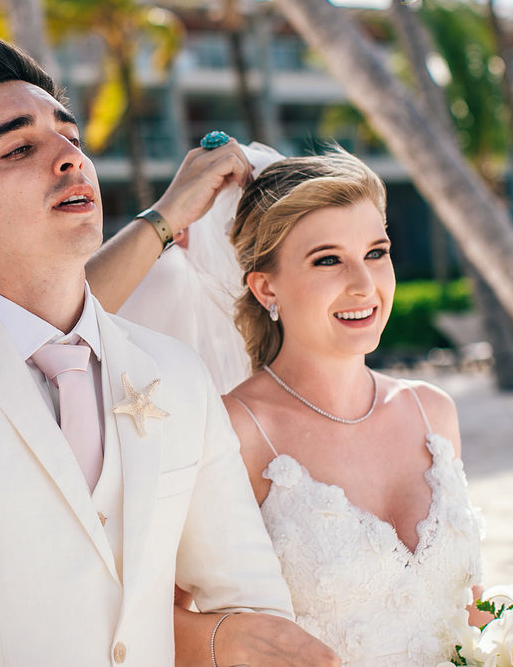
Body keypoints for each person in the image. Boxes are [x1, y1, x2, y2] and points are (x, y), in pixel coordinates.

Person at [0, 38, 338, 666]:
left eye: (71, 137)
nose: (69, 158)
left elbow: (253, 609)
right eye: (19, 148)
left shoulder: (178, 375)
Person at [182, 150, 483, 667]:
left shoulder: (432, 412)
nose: (365, 285)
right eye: (328, 259)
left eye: (376, 252)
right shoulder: (236, 432)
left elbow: (469, 614)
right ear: (266, 287)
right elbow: (151, 617)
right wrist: (231, 641)